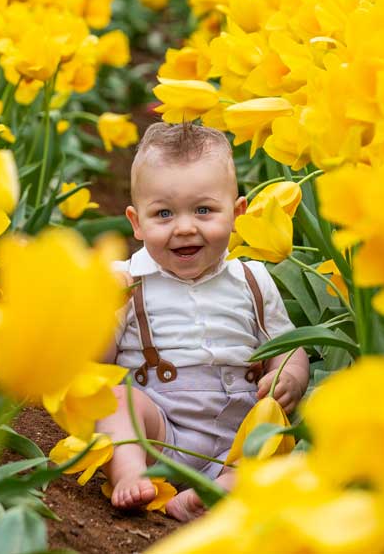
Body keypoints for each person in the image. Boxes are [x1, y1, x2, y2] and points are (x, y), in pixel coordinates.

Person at [96, 122, 310, 522]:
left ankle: (217, 490)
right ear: (136, 222)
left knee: (275, 429)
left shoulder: (253, 280)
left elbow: (289, 346)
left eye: (204, 210)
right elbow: (96, 361)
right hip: (160, 435)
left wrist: (290, 377)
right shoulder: (128, 280)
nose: (184, 227)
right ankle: (130, 473)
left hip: (237, 442)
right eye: (163, 213)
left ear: (237, 214)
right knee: (114, 398)